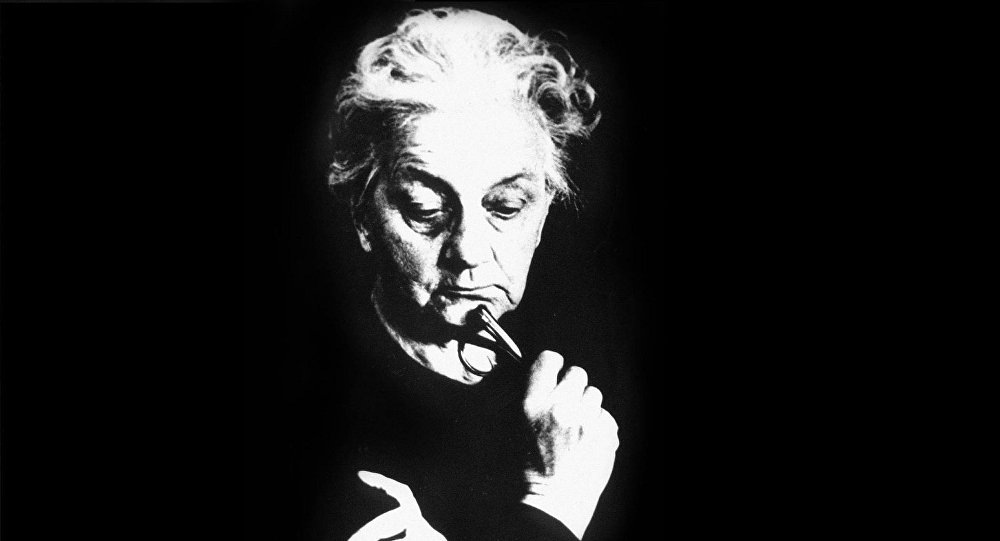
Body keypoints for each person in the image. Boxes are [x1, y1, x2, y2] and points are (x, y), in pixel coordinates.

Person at [310, 8, 620, 540]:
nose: (469, 251)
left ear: (545, 209)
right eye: (426, 210)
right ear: (363, 214)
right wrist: (556, 500)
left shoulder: (594, 377)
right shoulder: (318, 431)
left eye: (506, 207)